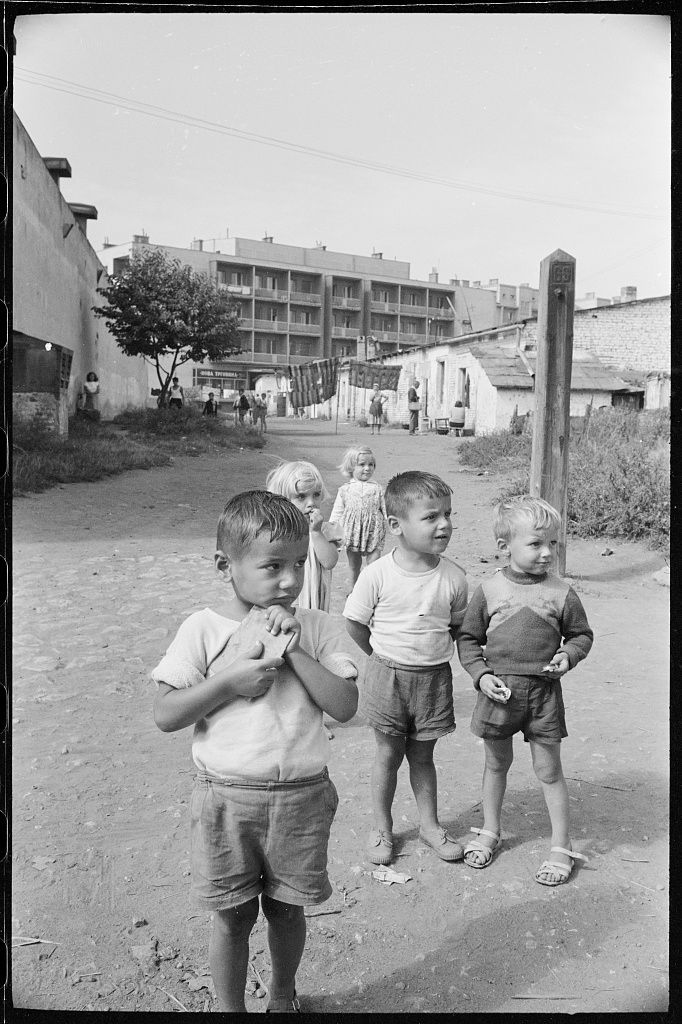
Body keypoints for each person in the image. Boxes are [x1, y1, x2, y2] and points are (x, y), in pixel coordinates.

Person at [151, 491, 360, 1013]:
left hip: (302, 797)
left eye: (298, 564)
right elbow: (168, 714)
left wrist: (290, 652)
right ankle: (230, 1007)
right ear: (226, 565)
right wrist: (230, 679)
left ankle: (283, 995)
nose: (289, 580)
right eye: (272, 566)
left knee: (288, 911)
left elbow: (345, 704)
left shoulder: (316, 627)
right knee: (231, 915)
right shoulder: (202, 628)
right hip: (225, 798)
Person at [456, 496, 593, 886]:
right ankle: (490, 830)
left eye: (554, 543)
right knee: (496, 764)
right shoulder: (489, 590)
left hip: (543, 697)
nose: (547, 552)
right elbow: (468, 639)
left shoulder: (561, 593)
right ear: (505, 547)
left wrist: (569, 654)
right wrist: (481, 675)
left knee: (549, 771)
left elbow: (581, 634)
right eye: (536, 543)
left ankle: (561, 846)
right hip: (498, 695)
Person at [343, 471, 468, 866]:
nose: (444, 524)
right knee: (387, 756)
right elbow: (354, 623)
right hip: (387, 677)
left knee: (423, 757)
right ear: (396, 525)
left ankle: (430, 826)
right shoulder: (377, 574)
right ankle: (382, 827)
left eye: (447, 514)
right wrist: (379, 655)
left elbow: (459, 628)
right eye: (431, 516)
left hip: (432, 679)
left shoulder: (454, 577)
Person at [266, 461, 343, 612]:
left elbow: (329, 562)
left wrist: (316, 533)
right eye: (301, 497)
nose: (311, 503)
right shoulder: (278, 532)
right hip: (286, 599)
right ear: (282, 499)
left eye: (316, 495)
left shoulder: (326, 530)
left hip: (315, 603)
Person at [330, 446, 387, 592]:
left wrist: (394, 524)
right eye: (362, 464)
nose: (367, 468)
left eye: (371, 464)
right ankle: (353, 591)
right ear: (351, 467)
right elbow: (337, 511)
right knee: (354, 566)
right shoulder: (345, 489)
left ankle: (371, 592)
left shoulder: (378, 489)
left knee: (373, 565)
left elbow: (386, 509)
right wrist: (331, 531)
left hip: (373, 532)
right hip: (352, 532)